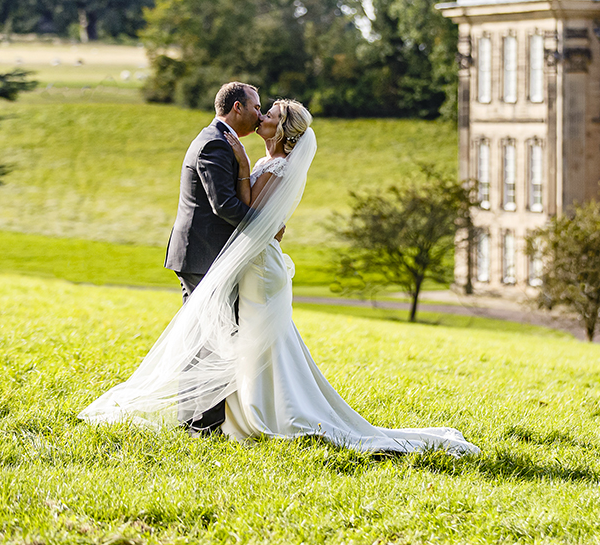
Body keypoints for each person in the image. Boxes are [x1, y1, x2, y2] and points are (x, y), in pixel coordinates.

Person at [80, 98, 479, 456]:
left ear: (281, 130)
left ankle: (269, 413)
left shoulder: (275, 166)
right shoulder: (262, 162)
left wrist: (241, 165)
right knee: (248, 340)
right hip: (252, 262)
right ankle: (235, 413)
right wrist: (243, 168)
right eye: (260, 110)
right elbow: (261, 217)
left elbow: (253, 214)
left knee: (255, 341)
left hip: (259, 267)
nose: (261, 117)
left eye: (268, 115)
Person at [161, 81, 261, 434]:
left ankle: (197, 421)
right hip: (203, 256)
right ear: (237, 108)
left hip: (205, 255)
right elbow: (225, 206)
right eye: (256, 107)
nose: (259, 115)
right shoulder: (215, 144)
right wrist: (268, 225)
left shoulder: (219, 140)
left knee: (204, 338)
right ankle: (202, 423)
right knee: (211, 338)